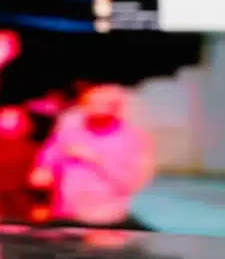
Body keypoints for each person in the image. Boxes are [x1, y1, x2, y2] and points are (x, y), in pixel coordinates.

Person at [30, 84, 157, 230]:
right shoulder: (68, 132)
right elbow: (40, 174)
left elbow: (133, 184)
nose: (96, 107)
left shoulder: (133, 138)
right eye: (91, 103)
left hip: (106, 220)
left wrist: (97, 159)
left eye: (104, 104)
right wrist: (45, 174)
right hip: (65, 217)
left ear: (117, 107)